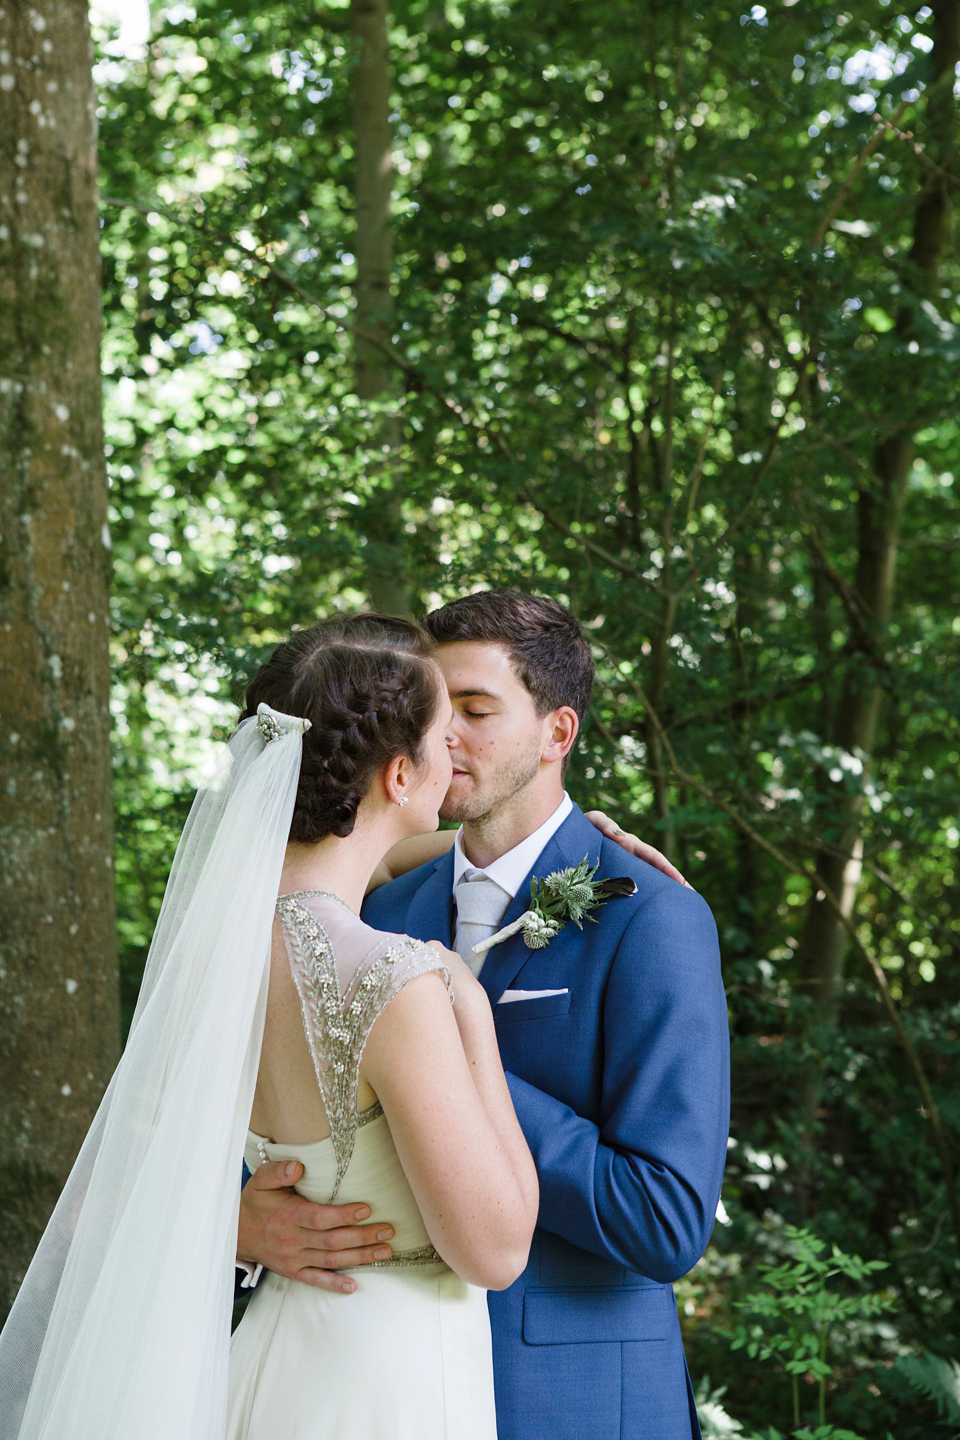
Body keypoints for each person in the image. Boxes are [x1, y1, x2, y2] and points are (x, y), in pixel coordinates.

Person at [0, 613, 538, 1440]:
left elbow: (372, 851)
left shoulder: (214, 946)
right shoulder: (400, 979)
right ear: (401, 776)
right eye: (442, 738)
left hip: (272, 1350)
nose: (456, 755)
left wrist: (569, 832)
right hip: (387, 1380)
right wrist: (473, 1023)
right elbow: (496, 1253)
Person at [239, 591, 730, 1440]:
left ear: (558, 733)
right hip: (371, 1386)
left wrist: (439, 1070)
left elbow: (666, 1218)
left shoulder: (651, 916)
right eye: (435, 707)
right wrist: (241, 1220)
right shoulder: (372, 913)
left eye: (476, 708)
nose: (446, 734)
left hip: (571, 1400)